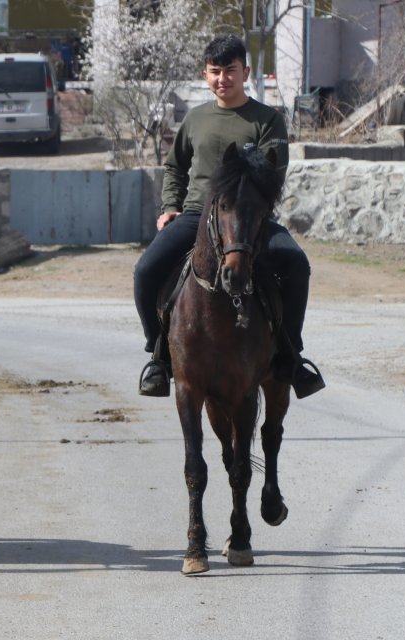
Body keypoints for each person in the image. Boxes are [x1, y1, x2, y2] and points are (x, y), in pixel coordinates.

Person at [132, 35, 325, 399]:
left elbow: (273, 175)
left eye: (230, 71)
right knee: (145, 271)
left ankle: (290, 355)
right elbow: (175, 168)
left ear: (245, 73)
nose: (223, 79)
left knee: (296, 263)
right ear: (206, 75)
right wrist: (169, 207)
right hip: (194, 216)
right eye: (215, 72)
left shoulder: (268, 120)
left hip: (248, 221)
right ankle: (158, 355)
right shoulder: (195, 119)